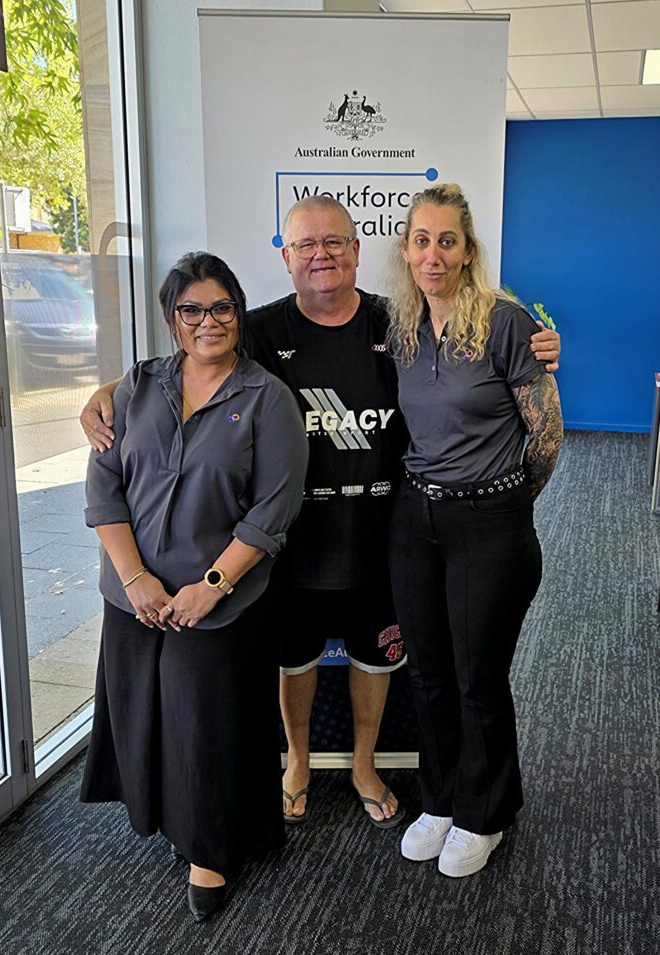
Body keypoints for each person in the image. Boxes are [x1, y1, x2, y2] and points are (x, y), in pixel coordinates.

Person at [80, 197, 561, 829]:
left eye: (334, 242)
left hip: (390, 536)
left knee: (381, 657)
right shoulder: (256, 328)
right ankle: (298, 762)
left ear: (358, 251)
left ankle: (365, 765)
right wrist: (104, 393)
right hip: (286, 544)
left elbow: (493, 367)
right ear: (285, 256)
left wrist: (539, 346)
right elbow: (185, 361)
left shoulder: (405, 323)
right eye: (305, 245)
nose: (321, 255)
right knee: (296, 658)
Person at [80, 252, 308, 921]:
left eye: (221, 308)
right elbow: (105, 488)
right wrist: (134, 577)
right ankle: (163, 817)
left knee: (204, 726)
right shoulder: (136, 388)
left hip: (220, 603)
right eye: (191, 310)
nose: (207, 322)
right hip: (134, 597)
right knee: (146, 713)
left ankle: (212, 846)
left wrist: (211, 585)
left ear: (237, 314)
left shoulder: (266, 397)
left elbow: (274, 508)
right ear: (172, 319)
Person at [387, 184, 563, 878]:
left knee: (475, 676)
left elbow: (545, 437)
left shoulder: (506, 323)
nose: (434, 254)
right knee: (426, 672)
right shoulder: (400, 325)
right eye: (422, 239)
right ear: (406, 250)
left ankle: (486, 811)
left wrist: (504, 500)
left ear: (468, 252)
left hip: (489, 523)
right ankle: (442, 797)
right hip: (414, 519)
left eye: (448, 241)